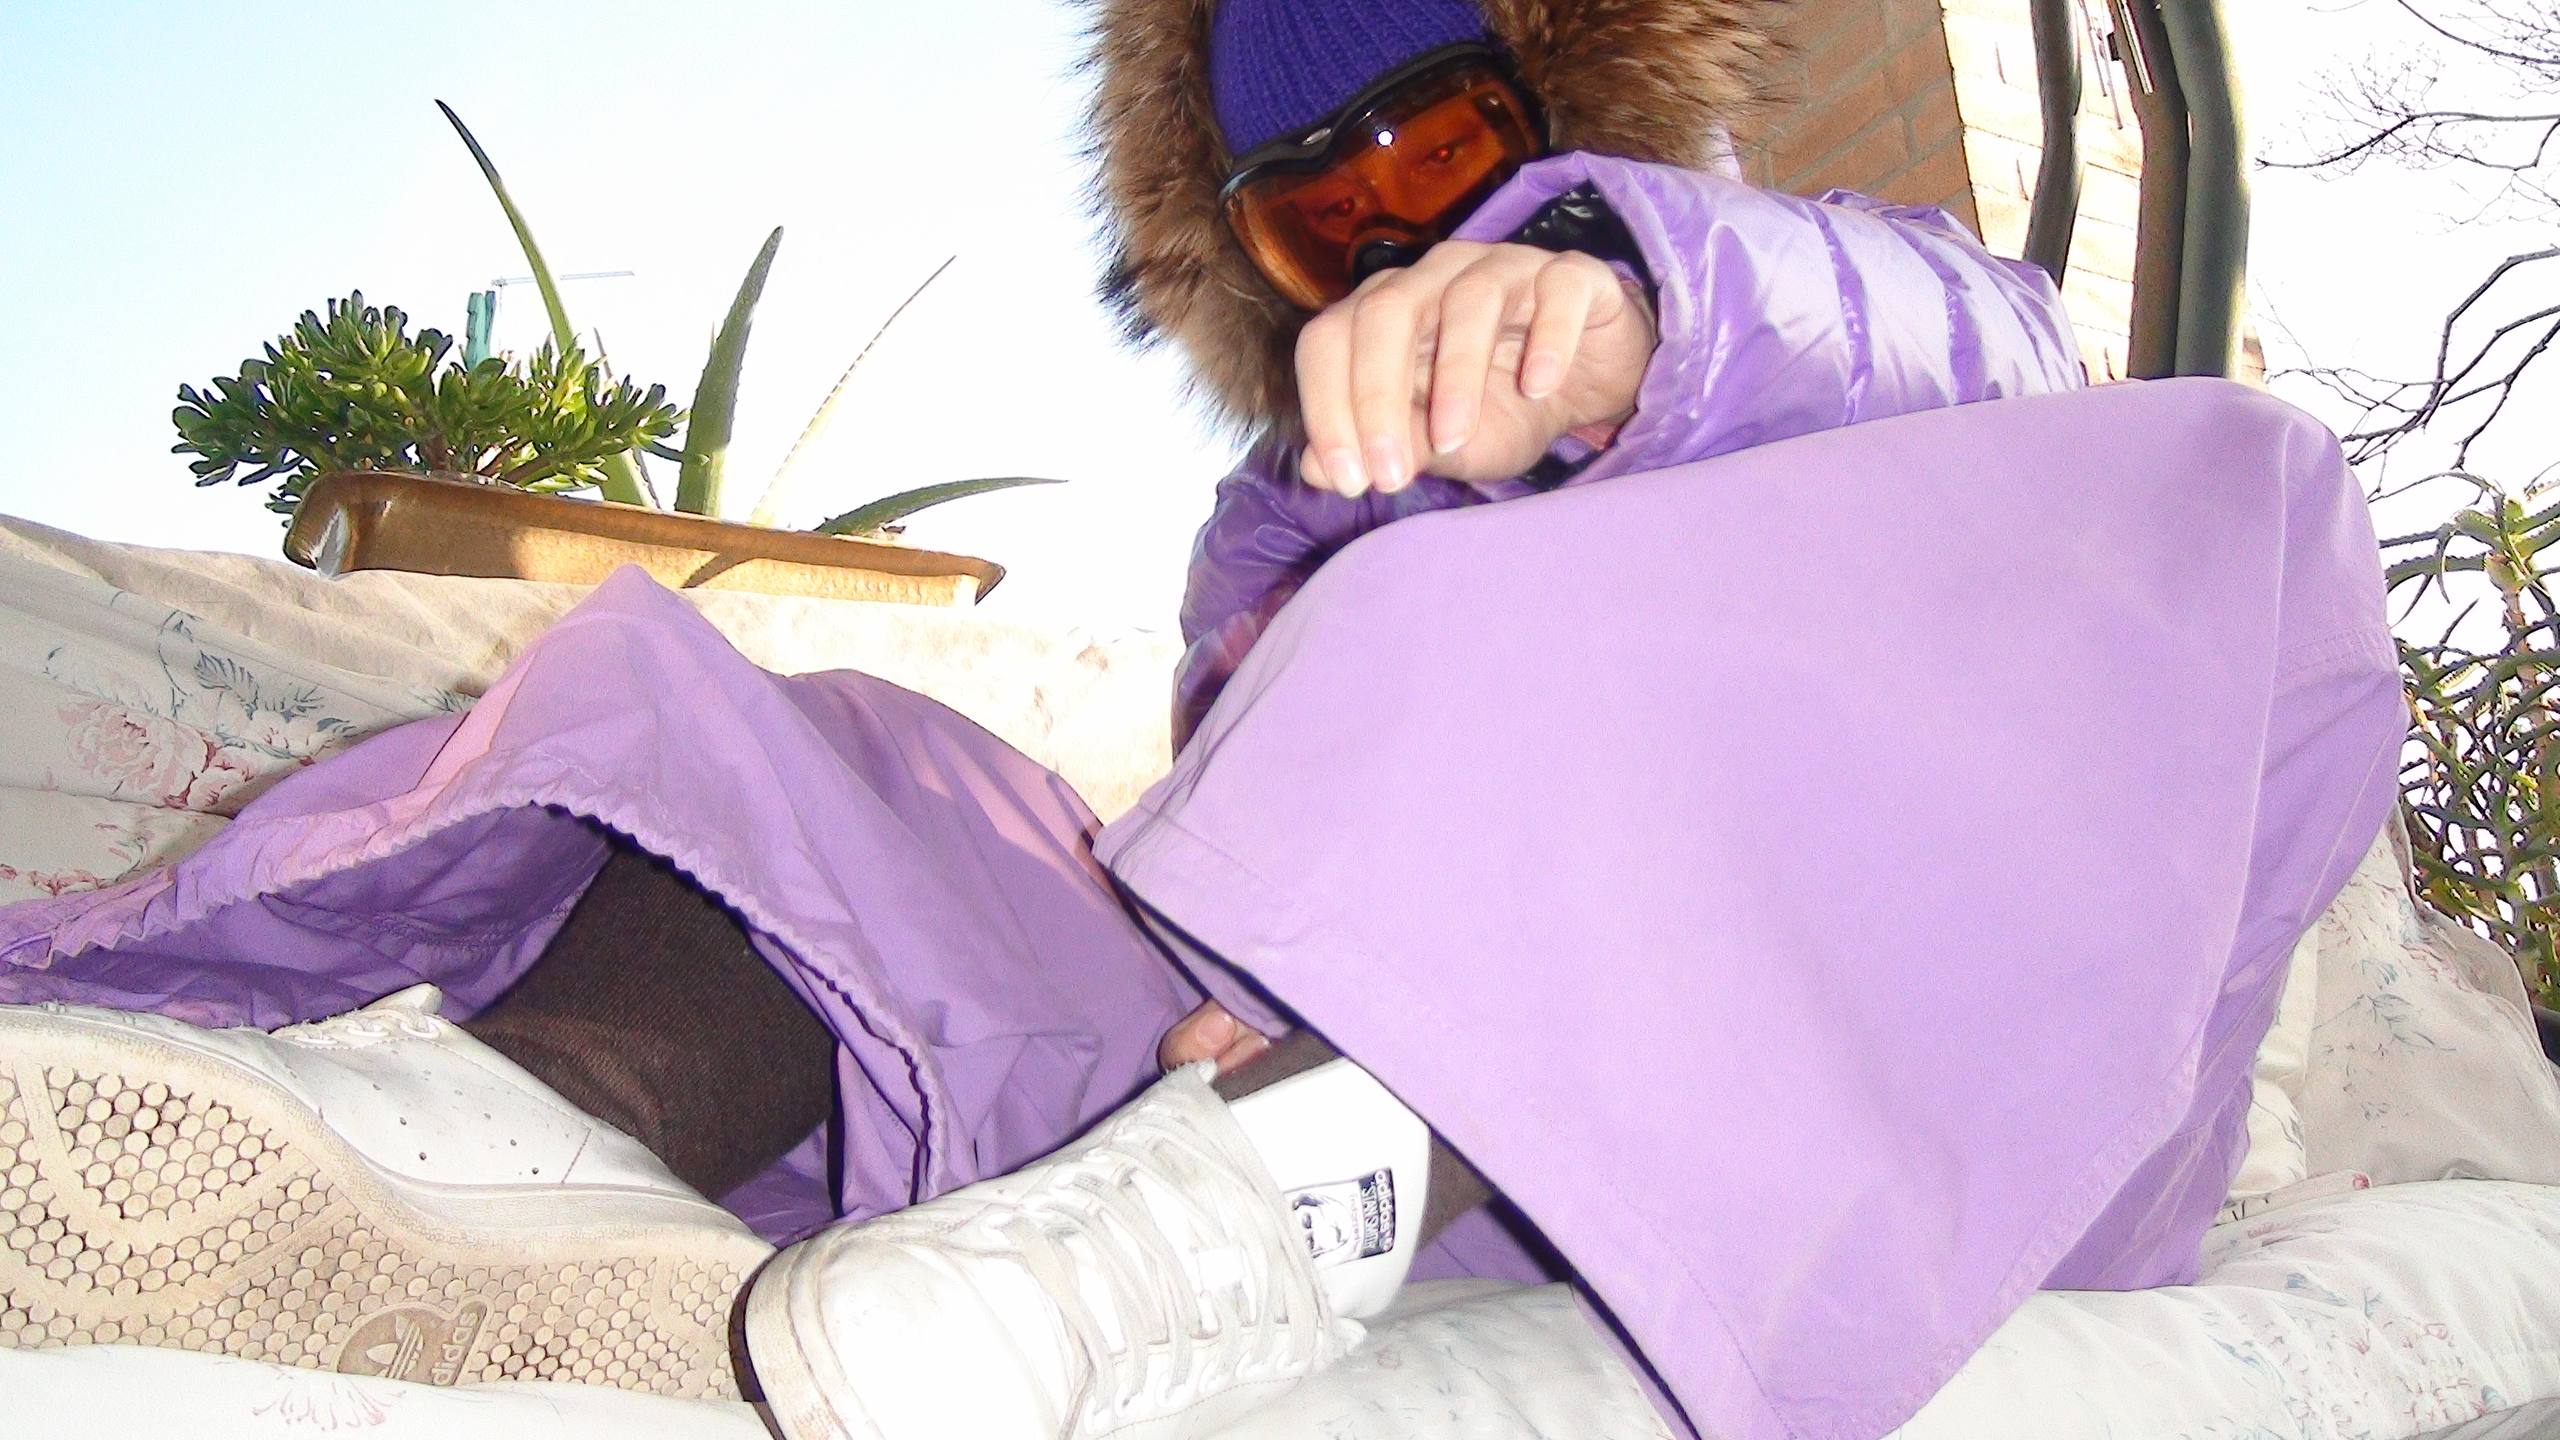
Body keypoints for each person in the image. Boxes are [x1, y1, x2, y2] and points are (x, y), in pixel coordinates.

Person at [0, 1, 2406, 1438]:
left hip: (1886, 1119)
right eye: (1310, 215)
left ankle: (1273, 1184)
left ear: (1564, 110)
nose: (1398, 234)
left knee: (2237, 478)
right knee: (865, 757)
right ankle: (506, 1143)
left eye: (1447, 148)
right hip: (1291, 1163)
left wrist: (1634, 307)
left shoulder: (1858, 353)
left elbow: (1993, 374)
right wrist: (1272, 979)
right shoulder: (1282, 564)